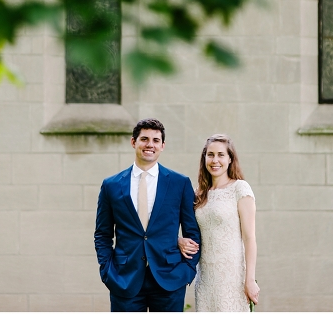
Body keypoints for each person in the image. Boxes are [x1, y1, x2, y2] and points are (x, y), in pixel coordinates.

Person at [94, 118, 202, 312]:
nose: (149, 144)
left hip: (169, 279)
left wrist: (187, 270)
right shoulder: (111, 185)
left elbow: (192, 232)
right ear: (133, 142)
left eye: (155, 140)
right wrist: (107, 271)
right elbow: (102, 234)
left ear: (162, 146)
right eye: (144, 139)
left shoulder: (179, 183)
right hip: (124, 279)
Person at [178, 134, 259, 312]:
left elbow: (249, 238)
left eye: (221, 155)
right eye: (210, 154)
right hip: (205, 277)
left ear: (230, 159)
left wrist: (250, 279)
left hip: (232, 276)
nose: (215, 160)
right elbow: (182, 227)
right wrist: (179, 241)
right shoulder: (197, 193)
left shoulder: (240, 188)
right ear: (204, 158)